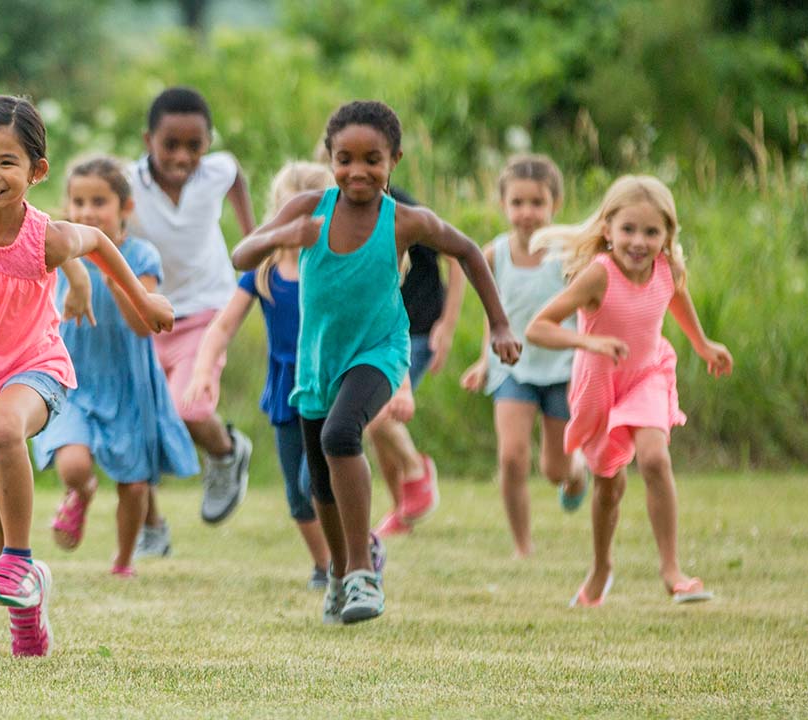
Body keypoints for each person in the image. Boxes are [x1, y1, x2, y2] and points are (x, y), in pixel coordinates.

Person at [232, 101, 521, 624]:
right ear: (330, 157)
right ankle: (340, 577)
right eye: (345, 158)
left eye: (373, 159)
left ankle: (365, 572)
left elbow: (470, 252)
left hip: (380, 351)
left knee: (340, 436)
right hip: (317, 361)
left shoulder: (405, 221)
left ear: (395, 160)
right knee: (318, 480)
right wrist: (280, 237)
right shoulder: (306, 208)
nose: (357, 171)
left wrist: (498, 324)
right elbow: (241, 256)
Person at [0, 95, 174, 656]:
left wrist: (144, 304)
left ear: (36, 171)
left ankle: (22, 561)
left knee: (3, 432)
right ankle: (27, 606)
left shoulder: (44, 236)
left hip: (36, 368)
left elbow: (99, 242)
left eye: (8, 162)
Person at [525, 175, 732, 607]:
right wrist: (589, 341)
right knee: (609, 488)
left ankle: (672, 571)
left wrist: (703, 344)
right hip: (600, 386)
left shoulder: (667, 269)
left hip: (648, 373)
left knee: (655, 458)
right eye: (629, 230)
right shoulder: (597, 277)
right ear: (608, 230)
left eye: (651, 232)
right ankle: (601, 568)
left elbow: (676, 300)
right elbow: (537, 327)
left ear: (667, 235)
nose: (639, 241)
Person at [32, 156, 199, 578]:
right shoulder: (61, 249)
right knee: (73, 465)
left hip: (128, 381)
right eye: (79, 202)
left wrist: (114, 277)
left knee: (135, 483)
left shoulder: (140, 255)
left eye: (99, 202)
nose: (87, 213)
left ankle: (123, 561)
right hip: (71, 378)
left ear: (125, 208)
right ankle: (81, 492)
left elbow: (143, 328)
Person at [183, 161, 334, 590]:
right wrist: (202, 371)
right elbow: (223, 326)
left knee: (317, 478)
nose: (303, 222)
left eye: (315, 211)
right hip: (286, 389)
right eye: (293, 211)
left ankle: (354, 552)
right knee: (298, 493)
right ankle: (325, 566)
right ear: (277, 213)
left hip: (330, 385)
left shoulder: (331, 264)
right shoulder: (263, 269)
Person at [126, 86, 256, 555]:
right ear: (148, 140)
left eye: (194, 146)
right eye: (170, 145)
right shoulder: (127, 184)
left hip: (207, 307)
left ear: (208, 142)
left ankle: (224, 454)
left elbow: (235, 173)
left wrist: (251, 238)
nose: (183, 156)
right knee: (137, 422)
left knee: (189, 407)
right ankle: (150, 527)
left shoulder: (216, 170)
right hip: (147, 311)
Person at [458, 154, 588, 558]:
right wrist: (484, 360)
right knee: (512, 457)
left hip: (562, 368)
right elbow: (496, 315)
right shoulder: (493, 255)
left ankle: (577, 473)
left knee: (554, 469)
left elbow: (588, 309)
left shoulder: (568, 255)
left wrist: (591, 355)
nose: (527, 212)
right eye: (517, 203)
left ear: (555, 205)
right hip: (512, 368)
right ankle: (522, 546)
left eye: (537, 203)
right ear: (503, 205)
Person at [366, 186, 464, 538]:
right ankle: (402, 510)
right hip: (375, 330)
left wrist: (448, 325)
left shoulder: (401, 208)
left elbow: (455, 255)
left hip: (418, 328)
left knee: (377, 412)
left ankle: (415, 468)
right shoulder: (337, 213)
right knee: (376, 424)